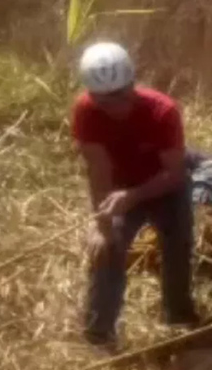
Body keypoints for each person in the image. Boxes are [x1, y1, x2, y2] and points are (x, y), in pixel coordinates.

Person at [71, 42, 199, 345]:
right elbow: (97, 169)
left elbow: (174, 174)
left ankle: (178, 318)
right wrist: (101, 226)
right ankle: (99, 334)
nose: (115, 107)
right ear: (92, 96)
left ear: (132, 84)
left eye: (120, 97)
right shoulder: (86, 112)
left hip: (164, 186)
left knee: (177, 247)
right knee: (107, 250)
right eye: (105, 100)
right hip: (119, 188)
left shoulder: (163, 111)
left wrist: (134, 196)